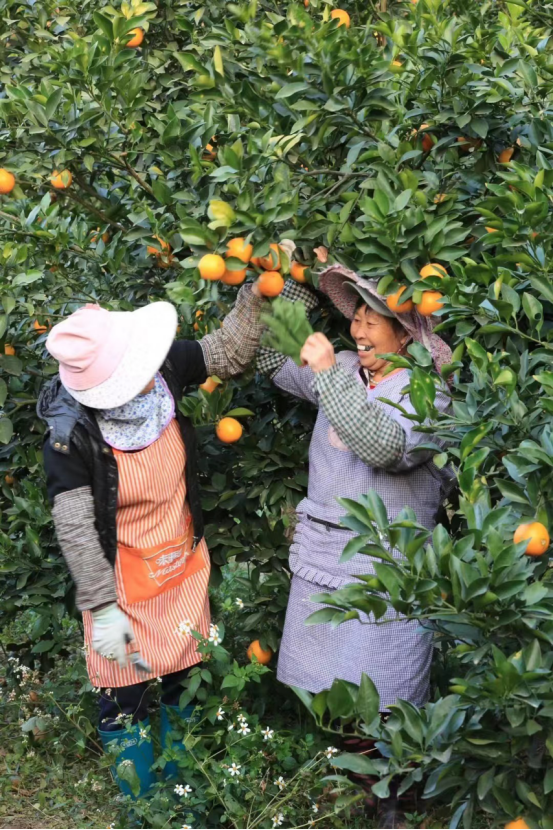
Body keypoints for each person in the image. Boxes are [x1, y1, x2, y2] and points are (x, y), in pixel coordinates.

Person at [37, 280, 265, 797]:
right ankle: (142, 804)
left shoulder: (164, 370)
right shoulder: (70, 434)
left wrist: (257, 293)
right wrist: (102, 605)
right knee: (125, 695)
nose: (150, 369)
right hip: (118, 577)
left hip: (179, 560)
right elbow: (75, 525)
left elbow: (228, 351)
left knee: (189, 678)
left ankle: (185, 792)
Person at [257, 262, 452, 829]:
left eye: (372, 321)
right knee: (338, 690)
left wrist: (329, 375)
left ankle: (396, 801)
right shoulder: (343, 368)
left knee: (388, 689)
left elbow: (384, 446)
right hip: (328, 556)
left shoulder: (427, 395)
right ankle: (364, 790)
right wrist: (283, 276)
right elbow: (270, 356)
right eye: (356, 318)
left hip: (389, 569)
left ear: (405, 335)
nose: (357, 331)